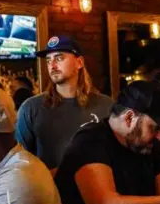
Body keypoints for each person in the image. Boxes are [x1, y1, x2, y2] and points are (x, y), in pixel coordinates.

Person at [16, 35, 114, 172]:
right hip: (49, 191)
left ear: (79, 62)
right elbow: (19, 161)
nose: (53, 65)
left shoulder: (106, 105)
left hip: (95, 191)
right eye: (49, 60)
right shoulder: (31, 108)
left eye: (59, 58)